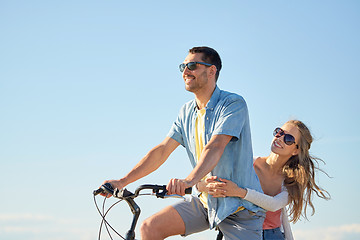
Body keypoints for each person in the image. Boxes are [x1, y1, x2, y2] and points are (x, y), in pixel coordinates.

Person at [101, 46, 266, 240]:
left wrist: (188, 181)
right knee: (149, 228)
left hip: (239, 208)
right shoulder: (187, 111)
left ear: (211, 70)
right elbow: (162, 150)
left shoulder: (232, 104)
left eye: (192, 66)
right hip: (206, 202)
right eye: (183, 67)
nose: (185, 72)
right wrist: (122, 182)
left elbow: (216, 146)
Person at [198, 120, 331, 239]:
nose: (279, 138)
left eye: (288, 139)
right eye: (279, 132)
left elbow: (273, 204)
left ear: (296, 151)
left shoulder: (291, 181)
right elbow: (208, 183)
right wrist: (201, 186)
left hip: (271, 235)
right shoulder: (249, 164)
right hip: (240, 230)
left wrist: (239, 192)